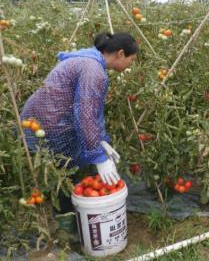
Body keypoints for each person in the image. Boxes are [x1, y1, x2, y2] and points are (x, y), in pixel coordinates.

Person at [20, 32, 138, 186]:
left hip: (38, 121)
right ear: (121, 54)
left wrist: (100, 140)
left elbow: (89, 111)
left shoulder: (87, 60)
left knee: (51, 176)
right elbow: (85, 114)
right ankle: (63, 208)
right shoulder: (93, 70)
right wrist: (99, 157)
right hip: (49, 127)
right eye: (132, 60)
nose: (131, 64)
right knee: (59, 179)